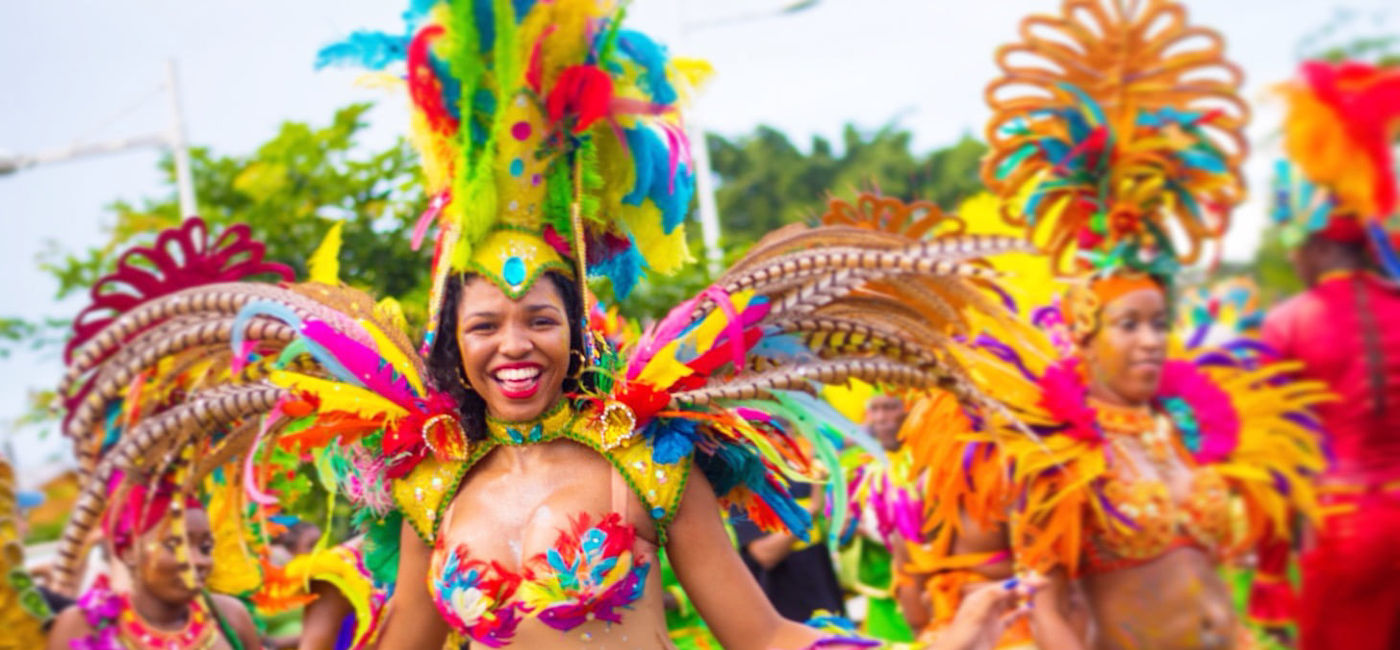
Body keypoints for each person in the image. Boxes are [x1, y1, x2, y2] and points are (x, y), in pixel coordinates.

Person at [904, 1, 1331, 647]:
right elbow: (1033, 602)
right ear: (1083, 327)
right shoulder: (1044, 450)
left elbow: (1210, 583)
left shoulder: (1178, 427)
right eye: (1129, 324)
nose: (1151, 340)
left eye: (1160, 323)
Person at [1261, 58, 1400, 650]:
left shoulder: (1288, 323)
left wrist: (1270, 576)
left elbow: (1276, 462)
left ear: (1310, 244)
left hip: (1341, 534)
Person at [45, 479, 261, 650]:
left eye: (205, 547)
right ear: (129, 552)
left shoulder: (230, 616)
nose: (199, 560)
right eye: (175, 544)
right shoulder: (81, 625)